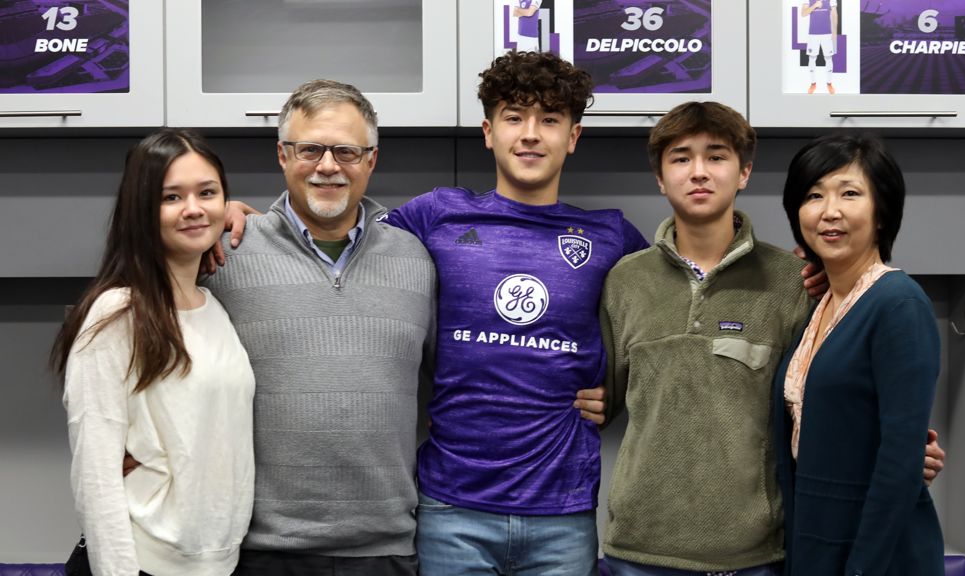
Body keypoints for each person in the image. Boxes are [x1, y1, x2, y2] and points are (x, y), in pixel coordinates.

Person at [196, 78, 611, 575]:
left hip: (418, 537)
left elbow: (646, 319)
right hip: (279, 542)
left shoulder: (417, 253)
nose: (329, 166)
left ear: (371, 160)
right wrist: (215, 216)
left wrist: (614, 391)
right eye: (310, 149)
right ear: (283, 155)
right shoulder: (227, 253)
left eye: (347, 151)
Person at [597, 103, 946, 576]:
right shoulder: (624, 280)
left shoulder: (796, 282)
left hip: (759, 556)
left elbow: (836, 404)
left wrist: (901, 453)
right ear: (660, 178)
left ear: (744, 173)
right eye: (680, 158)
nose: (698, 172)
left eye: (716, 156)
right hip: (637, 552)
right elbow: (599, 398)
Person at [52, 129, 255, 576]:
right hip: (142, 564)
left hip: (220, 565)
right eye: (171, 197)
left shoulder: (215, 309)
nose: (194, 208)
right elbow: (96, 474)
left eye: (208, 192)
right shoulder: (118, 311)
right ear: (140, 210)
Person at [775, 133, 944, 575]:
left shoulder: (898, 304)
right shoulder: (820, 306)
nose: (829, 211)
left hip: (878, 555)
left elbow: (899, 463)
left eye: (850, 193)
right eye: (813, 195)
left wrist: (861, 569)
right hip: (817, 543)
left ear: (882, 212)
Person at [801, 0, 837, 94]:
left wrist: (835, 30)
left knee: (828, 58)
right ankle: (813, 83)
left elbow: (834, 14)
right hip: (813, 33)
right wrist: (815, 6)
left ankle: (829, 83)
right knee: (812, 58)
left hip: (827, 33)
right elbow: (803, 13)